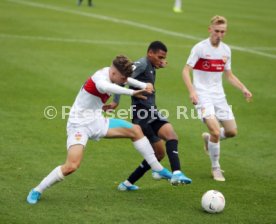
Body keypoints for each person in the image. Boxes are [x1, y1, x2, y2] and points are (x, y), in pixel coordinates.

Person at [26, 55, 172, 204]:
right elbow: (110, 88)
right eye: (122, 79)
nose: (124, 82)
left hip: (97, 121)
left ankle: (156, 168)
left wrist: (143, 85)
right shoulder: (100, 79)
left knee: (135, 130)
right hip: (79, 125)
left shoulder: (114, 75)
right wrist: (133, 92)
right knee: (71, 166)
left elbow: (126, 80)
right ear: (114, 74)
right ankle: (37, 189)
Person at [105, 41, 192, 191]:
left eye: (163, 58)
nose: (161, 60)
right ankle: (177, 173)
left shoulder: (149, 65)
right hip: (143, 113)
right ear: (150, 53)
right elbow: (121, 81)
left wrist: (158, 65)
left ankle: (127, 184)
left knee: (159, 154)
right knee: (170, 136)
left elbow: (143, 78)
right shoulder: (142, 64)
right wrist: (115, 101)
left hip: (148, 112)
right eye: (159, 57)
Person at [182, 15, 253, 181]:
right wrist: (192, 91)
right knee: (215, 130)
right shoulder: (199, 48)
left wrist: (243, 88)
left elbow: (228, 75)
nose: (219, 34)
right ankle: (216, 167)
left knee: (231, 132)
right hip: (202, 95)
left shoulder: (226, 50)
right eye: (216, 31)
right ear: (210, 30)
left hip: (219, 96)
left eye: (222, 32)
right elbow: (185, 70)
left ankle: (209, 139)